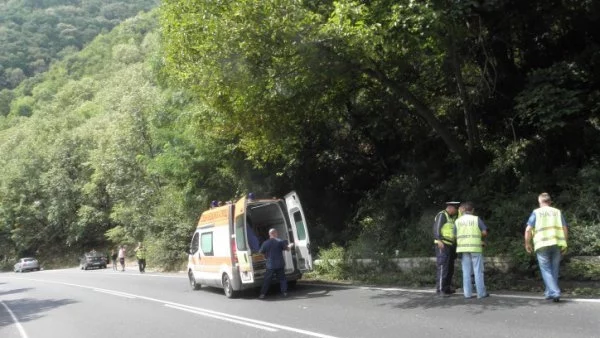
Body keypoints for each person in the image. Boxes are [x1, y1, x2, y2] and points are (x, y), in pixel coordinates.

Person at [524, 192, 568, 302]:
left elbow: (528, 229)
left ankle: (554, 292)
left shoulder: (536, 212)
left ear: (540, 202)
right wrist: (565, 243)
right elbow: (564, 228)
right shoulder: (557, 212)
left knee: (546, 270)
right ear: (550, 201)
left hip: (542, 244)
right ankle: (549, 293)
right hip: (556, 243)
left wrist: (527, 243)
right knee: (554, 269)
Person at [455, 201, 489, 299]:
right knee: (478, 271)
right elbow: (484, 232)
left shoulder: (458, 221)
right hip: (475, 247)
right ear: (472, 210)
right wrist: (479, 237)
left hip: (463, 248)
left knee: (466, 272)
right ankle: (481, 293)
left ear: (463, 210)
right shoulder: (476, 219)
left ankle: (467, 294)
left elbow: (454, 235)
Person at [433, 201, 460, 297]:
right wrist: (438, 239)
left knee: (450, 267)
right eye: (455, 209)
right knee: (443, 266)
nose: (456, 211)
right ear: (451, 208)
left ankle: (447, 288)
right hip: (442, 244)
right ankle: (440, 289)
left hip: (450, 245)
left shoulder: (452, 217)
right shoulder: (442, 215)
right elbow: (437, 228)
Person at [258, 228, 294, 299]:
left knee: (267, 280)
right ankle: (284, 293)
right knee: (282, 279)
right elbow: (287, 249)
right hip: (280, 264)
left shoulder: (265, 243)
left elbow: (260, 252)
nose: (277, 234)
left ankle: (262, 294)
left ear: (269, 234)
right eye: (276, 233)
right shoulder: (280, 241)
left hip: (270, 265)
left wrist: (266, 256)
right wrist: (291, 245)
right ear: (275, 233)